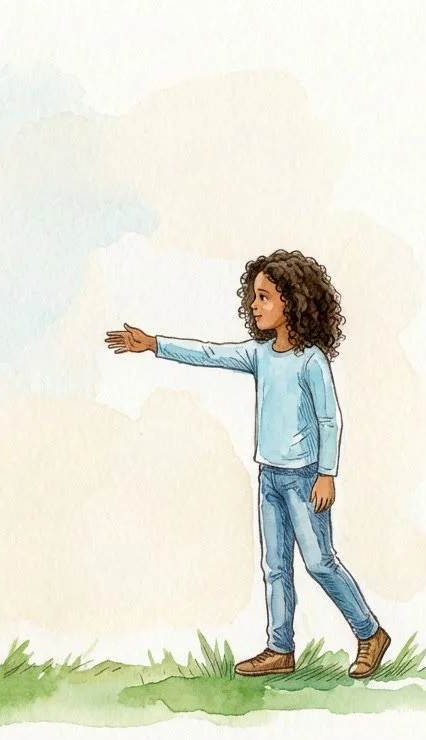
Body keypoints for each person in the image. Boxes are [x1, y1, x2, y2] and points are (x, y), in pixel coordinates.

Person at [105, 249, 391, 679]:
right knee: (274, 566)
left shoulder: (311, 360)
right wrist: (153, 345)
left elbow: (329, 419)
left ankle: (370, 633)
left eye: (264, 297)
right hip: (270, 476)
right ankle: (280, 647)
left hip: (306, 477)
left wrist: (328, 474)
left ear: (291, 302)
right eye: (253, 297)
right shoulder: (261, 355)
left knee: (319, 562)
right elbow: (208, 354)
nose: (254, 306)